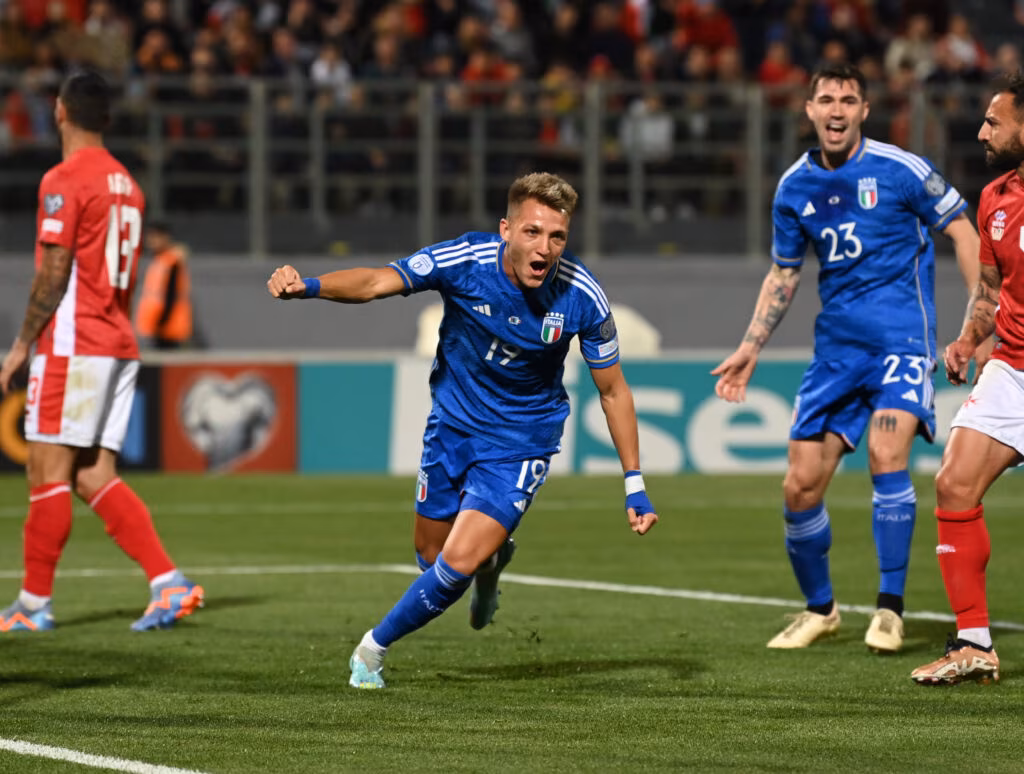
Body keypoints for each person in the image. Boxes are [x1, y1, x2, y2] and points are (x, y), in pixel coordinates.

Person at [267, 171, 659, 689]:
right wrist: (310, 287)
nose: (545, 248)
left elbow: (613, 391)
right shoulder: (465, 261)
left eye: (557, 236)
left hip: (521, 441)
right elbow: (378, 282)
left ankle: (372, 650)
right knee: (430, 559)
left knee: (455, 562)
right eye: (532, 232)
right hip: (451, 427)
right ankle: (492, 565)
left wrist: (634, 481)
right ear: (506, 230)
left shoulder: (582, 296)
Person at [711, 63, 981, 653]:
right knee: (800, 487)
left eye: (849, 100)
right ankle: (821, 610)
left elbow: (964, 233)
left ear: (864, 111)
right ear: (809, 110)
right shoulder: (794, 187)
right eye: (827, 99)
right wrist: (750, 348)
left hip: (901, 342)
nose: (837, 109)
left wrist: (976, 320)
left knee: (887, 454)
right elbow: (784, 274)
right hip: (836, 353)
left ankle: (890, 609)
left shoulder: (901, 169)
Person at [0, 71, 203, 633]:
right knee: (92, 474)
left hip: (74, 343)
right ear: (107, 119)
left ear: (60, 112)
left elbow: (54, 271)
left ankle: (32, 605)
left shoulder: (64, 178)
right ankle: (168, 583)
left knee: (46, 470)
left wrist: (21, 346)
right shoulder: (127, 184)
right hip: (116, 341)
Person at [910, 70, 1024, 685]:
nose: (982, 132)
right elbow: (990, 286)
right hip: (1012, 366)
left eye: (993, 122)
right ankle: (974, 643)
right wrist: (967, 337)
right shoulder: (995, 198)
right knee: (954, 484)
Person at [134, 221, 194, 350]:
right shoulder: (160, 260)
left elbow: (171, 295)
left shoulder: (172, 261)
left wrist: (161, 322)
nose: (151, 241)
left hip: (168, 327)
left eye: (155, 236)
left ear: (165, 237)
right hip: (159, 326)